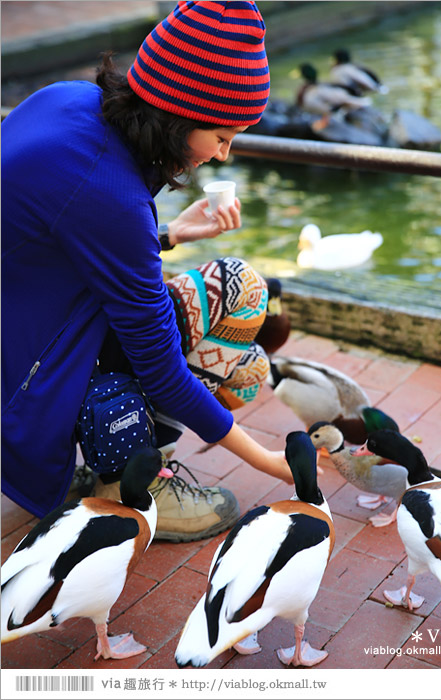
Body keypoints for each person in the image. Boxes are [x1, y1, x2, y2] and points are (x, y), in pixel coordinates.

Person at [2, 1, 297, 543]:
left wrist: (169, 235)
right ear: (181, 116)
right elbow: (160, 369)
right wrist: (269, 460)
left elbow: (64, 237)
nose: (225, 155)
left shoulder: (69, 99)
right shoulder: (111, 194)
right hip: (25, 374)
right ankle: (131, 479)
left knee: (249, 366)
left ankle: (122, 451)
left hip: (24, 322)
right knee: (241, 294)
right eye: (222, 136)